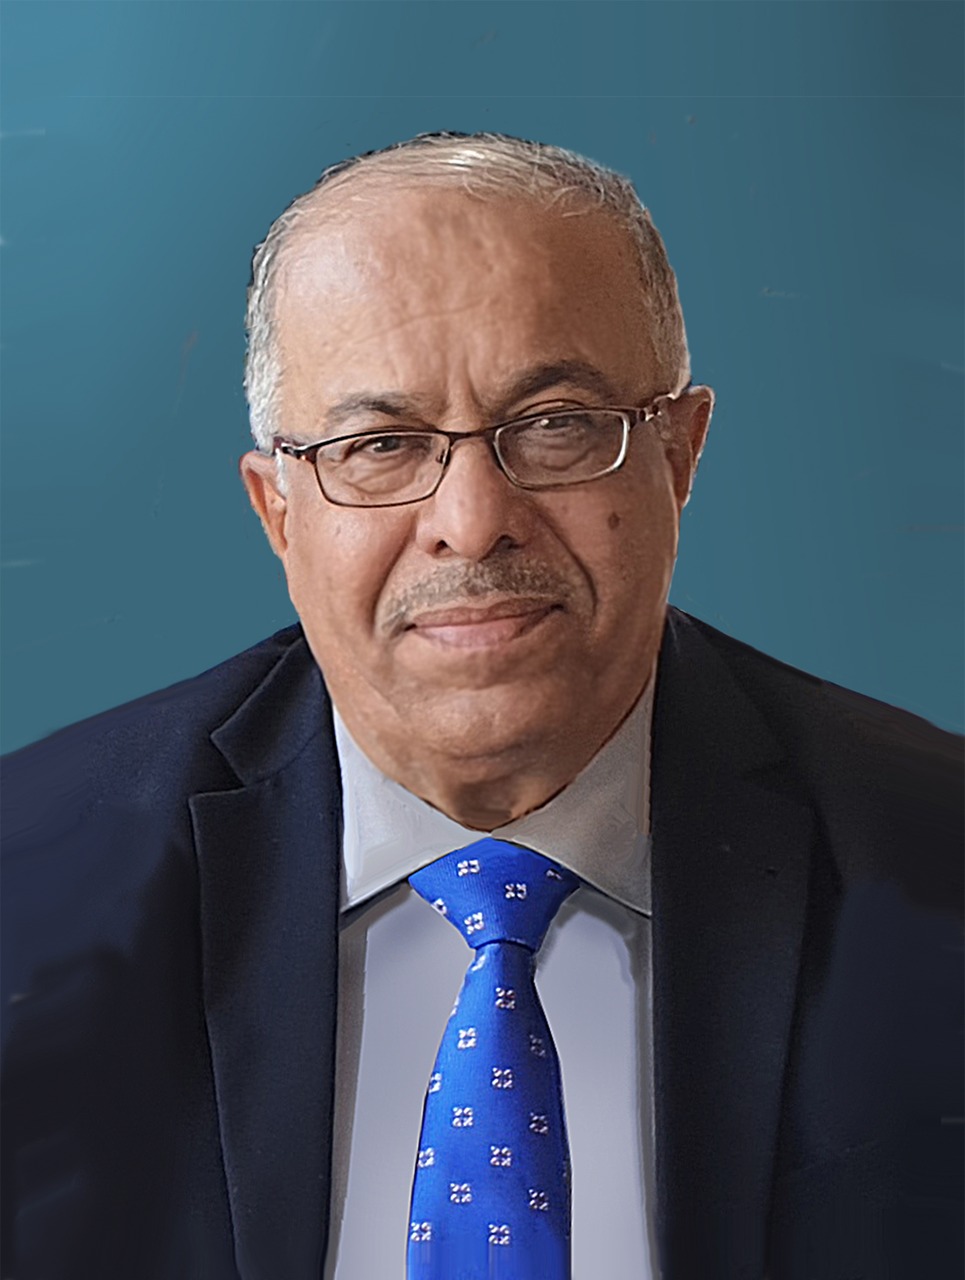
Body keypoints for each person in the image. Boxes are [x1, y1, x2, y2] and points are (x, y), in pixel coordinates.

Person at [2, 132, 961, 1280]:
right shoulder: (32, 891)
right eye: (380, 444)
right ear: (277, 511)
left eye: (554, 424)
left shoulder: (931, 851)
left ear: (678, 452)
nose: (470, 520)